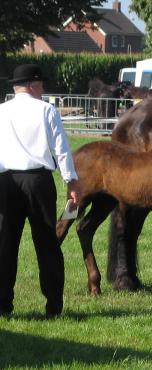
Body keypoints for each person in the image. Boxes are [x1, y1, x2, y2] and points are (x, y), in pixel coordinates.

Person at [0, 64, 79, 318]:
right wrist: (71, 182)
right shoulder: (46, 110)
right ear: (32, 85)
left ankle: (3, 305)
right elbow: (61, 149)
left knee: (5, 244)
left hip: (6, 182)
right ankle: (53, 306)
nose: (43, 89)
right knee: (47, 243)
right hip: (38, 181)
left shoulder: (1, 111)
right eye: (41, 85)